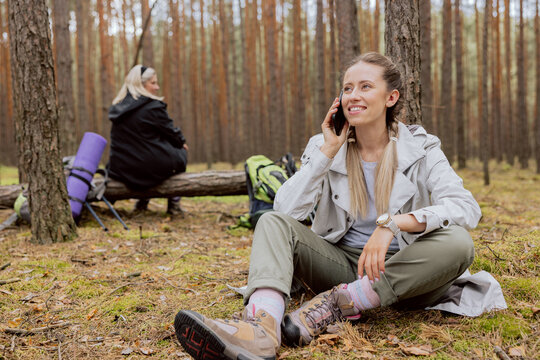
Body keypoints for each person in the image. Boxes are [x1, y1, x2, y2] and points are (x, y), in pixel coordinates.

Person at [173, 52, 482, 360]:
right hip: (344, 265)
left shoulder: (422, 147)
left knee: (458, 242)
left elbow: (465, 207)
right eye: (347, 88)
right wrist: (327, 153)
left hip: (412, 272)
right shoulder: (325, 147)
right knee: (271, 222)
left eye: (365, 87)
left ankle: (340, 303)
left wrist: (393, 224)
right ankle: (261, 330)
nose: (353, 96)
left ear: (391, 97)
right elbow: (285, 212)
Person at [108, 65, 188, 215]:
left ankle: (142, 202)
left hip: (121, 168)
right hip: (146, 167)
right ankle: (174, 204)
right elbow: (171, 133)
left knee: (150, 155)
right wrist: (181, 143)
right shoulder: (153, 107)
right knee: (181, 154)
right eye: (153, 83)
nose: (157, 87)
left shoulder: (118, 107)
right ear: (141, 84)